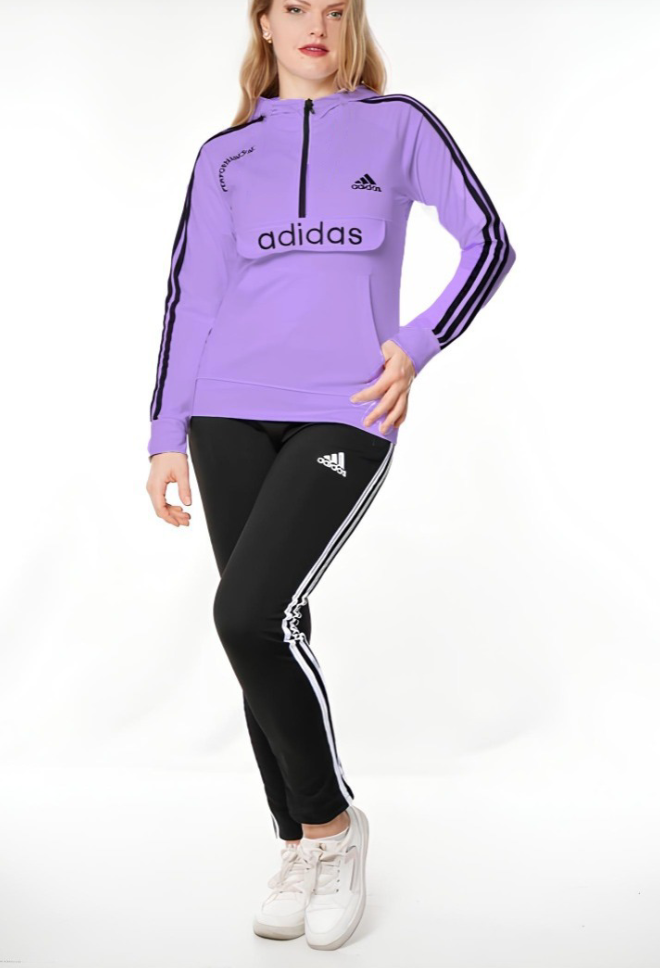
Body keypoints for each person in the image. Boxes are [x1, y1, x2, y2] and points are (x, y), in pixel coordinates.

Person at [145, 0, 516, 951]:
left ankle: (333, 825)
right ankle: (298, 844)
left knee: (248, 616)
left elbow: (489, 240)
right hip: (227, 406)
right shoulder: (224, 157)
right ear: (264, 23)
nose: (318, 23)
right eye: (297, 7)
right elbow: (192, 297)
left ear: (353, 24)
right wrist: (165, 433)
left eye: (337, 8)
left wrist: (419, 342)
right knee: (271, 627)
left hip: (346, 407)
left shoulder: (398, 127)